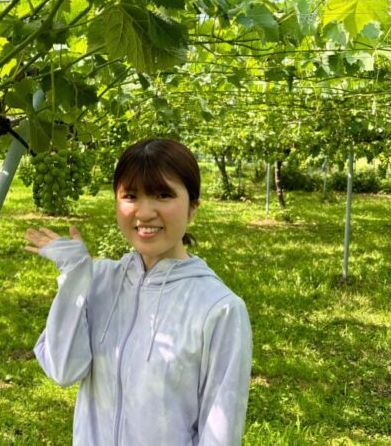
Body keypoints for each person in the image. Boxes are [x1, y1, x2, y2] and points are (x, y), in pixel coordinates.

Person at [25, 138, 252, 445]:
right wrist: (75, 277)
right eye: (131, 196)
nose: (145, 213)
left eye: (163, 195)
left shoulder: (218, 308)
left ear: (193, 208)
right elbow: (63, 370)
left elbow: (219, 430)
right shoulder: (99, 280)